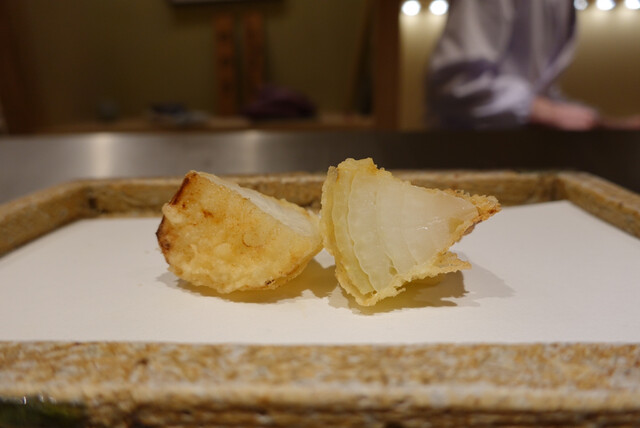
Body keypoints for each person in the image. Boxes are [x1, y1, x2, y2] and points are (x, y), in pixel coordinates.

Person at [426, 0, 639, 130]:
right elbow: (455, 84)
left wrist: (608, 125)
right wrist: (544, 110)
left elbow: (541, 94)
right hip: (470, 149)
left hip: (515, 148)